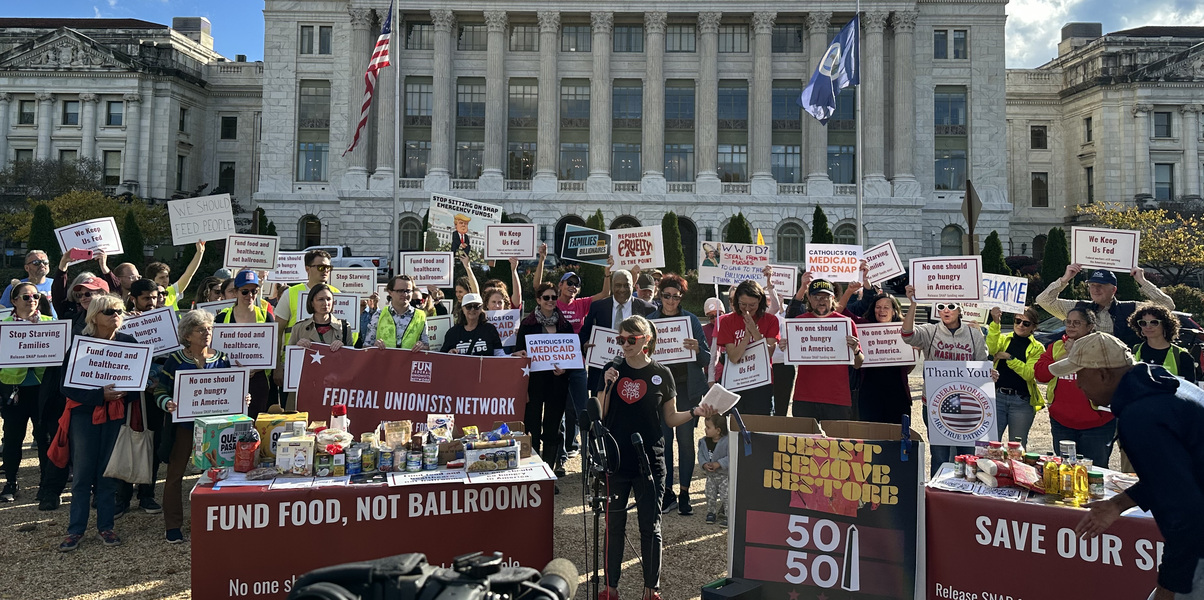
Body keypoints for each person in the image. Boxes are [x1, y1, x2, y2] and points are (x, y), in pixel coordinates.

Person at [1064, 332, 1204, 600]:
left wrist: (1169, 585)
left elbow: (1186, 512)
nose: (1078, 384)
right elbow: (1174, 473)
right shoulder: (1163, 385)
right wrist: (1119, 504)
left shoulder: (1140, 415)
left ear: (1104, 375)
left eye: (1080, 374)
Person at [598, 315, 718, 600]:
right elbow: (599, 413)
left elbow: (671, 417)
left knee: (650, 527)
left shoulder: (662, 374)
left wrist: (695, 413)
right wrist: (606, 385)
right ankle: (610, 588)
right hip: (616, 461)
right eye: (621, 340)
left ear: (646, 340)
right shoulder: (611, 370)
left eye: (631, 340)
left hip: (650, 461)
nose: (625, 345)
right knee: (613, 525)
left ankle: (651, 589)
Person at [155, 310, 249, 544]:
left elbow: (230, 389)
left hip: (216, 430)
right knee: (175, 474)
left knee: (220, 474)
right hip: (184, 427)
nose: (207, 333)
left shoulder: (223, 358)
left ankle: (217, 521)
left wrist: (242, 397)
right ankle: (173, 525)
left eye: (209, 329)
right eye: (201, 330)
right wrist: (167, 402)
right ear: (187, 335)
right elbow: (159, 390)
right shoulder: (175, 361)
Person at [57, 294, 135, 551]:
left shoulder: (129, 342)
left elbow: (135, 384)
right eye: (110, 312)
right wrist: (98, 395)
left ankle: (106, 526)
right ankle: (75, 530)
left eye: (119, 311)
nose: (116, 316)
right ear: (94, 317)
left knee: (107, 473)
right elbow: (66, 387)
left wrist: (126, 392)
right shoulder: (81, 345)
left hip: (115, 414)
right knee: (82, 474)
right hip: (84, 415)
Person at [901, 285, 990, 475]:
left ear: (960, 310)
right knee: (940, 456)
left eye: (951, 305)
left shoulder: (974, 335)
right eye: (941, 306)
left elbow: (982, 366)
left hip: (968, 405)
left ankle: (965, 500)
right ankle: (940, 497)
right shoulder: (930, 331)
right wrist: (913, 304)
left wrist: (991, 374)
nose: (946, 310)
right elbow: (907, 335)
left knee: (967, 456)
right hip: (936, 404)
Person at [648, 274, 711, 516]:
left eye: (676, 296)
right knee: (663, 443)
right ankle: (666, 493)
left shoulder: (691, 320)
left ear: (681, 297)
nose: (671, 301)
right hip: (660, 391)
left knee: (685, 442)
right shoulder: (650, 321)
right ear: (659, 295)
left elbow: (706, 359)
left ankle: (684, 493)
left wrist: (696, 348)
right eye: (667, 296)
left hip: (685, 389)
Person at [1034, 308, 1115, 466]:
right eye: (1068, 322)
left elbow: (1107, 378)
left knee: (1094, 474)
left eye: (1077, 323)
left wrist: (1078, 354)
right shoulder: (1056, 346)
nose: (1071, 326)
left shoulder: (1104, 347)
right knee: (1067, 474)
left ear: (1090, 326)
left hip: (1096, 425)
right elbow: (1040, 374)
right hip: (1061, 423)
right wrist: (1066, 357)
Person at [114, 278, 166, 517]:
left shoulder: (165, 321)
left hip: (154, 394)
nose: (152, 302)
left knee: (151, 444)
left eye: (155, 297)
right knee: (125, 441)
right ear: (133, 298)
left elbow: (170, 356)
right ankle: (122, 497)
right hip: (129, 395)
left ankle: (147, 494)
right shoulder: (121, 322)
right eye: (146, 298)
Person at [0, 283, 56, 504]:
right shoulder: (3, 326)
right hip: (14, 388)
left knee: (44, 436)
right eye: (25, 297)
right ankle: (11, 481)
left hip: (43, 387)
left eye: (35, 296)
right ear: (14, 301)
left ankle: (46, 482)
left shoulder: (52, 324)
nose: (31, 299)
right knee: (13, 437)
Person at [514, 282, 573, 478]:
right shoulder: (527, 325)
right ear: (538, 300)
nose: (550, 301)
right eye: (546, 298)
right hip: (534, 384)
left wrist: (565, 368)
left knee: (553, 428)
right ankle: (534, 471)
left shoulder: (565, 325)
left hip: (557, 384)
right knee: (532, 427)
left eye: (554, 297)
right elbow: (519, 355)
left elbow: (571, 357)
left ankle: (548, 474)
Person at [1036, 265, 1175, 347]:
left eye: (1101, 286)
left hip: (1119, 372)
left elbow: (1167, 306)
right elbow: (1043, 300)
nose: (1095, 289)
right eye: (1092, 285)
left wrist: (1142, 281)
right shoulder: (1079, 308)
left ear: (1113, 290)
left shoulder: (1131, 309)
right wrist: (1065, 279)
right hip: (1086, 370)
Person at [784, 277, 863, 420]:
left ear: (833, 298)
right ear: (809, 298)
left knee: (836, 442)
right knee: (805, 442)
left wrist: (856, 350)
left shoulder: (845, 323)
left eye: (826, 297)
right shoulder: (798, 323)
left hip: (837, 399)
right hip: (805, 398)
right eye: (816, 297)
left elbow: (858, 364)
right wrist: (786, 347)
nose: (821, 301)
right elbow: (791, 354)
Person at [277, 284, 353, 409]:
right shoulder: (299, 328)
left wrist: (343, 348)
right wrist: (298, 347)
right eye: (320, 299)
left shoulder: (344, 327)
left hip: (333, 391)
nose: (325, 303)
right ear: (312, 303)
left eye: (328, 299)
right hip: (305, 390)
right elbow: (291, 362)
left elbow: (352, 362)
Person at [850, 292, 916, 424]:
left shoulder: (903, 331)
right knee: (870, 437)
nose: (882, 310)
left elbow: (908, 369)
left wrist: (914, 354)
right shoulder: (863, 326)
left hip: (897, 394)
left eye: (886, 307)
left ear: (894, 311)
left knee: (898, 436)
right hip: (869, 394)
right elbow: (842, 312)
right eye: (878, 307)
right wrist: (849, 291)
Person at [716, 280, 780, 415]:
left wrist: (755, 332)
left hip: (760, 384)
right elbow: (733, 357)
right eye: (743, 304)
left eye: (752, 305)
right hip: (735, 382)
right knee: (734, 428)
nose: (747, 309)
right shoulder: (727, 321)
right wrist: (746, 337)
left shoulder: (770, 320)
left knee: (760, 427)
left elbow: (767, 353)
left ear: (760, 302)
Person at [216, 271, 273, 418]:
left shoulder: (266, 316)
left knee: (256, 422)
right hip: (229, 379)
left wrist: (254, 369)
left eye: (254, 291)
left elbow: (272, 352)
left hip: (258, 379)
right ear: (235, 292)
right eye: (245, 291)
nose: (250, 296)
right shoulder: (222, 317)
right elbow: (215, 352)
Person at [986, 306, 1046, 447]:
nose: (1020, 325)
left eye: (1026, 323)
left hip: (1021, 401)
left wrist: (1009, 357)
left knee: (1017, 447)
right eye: (1017, 321)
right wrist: (995, 323)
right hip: (997, 397)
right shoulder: (1003, 339)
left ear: (1033, 327)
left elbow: (1029, 374)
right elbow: (991, 349)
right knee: (990, 444)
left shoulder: (1038, 348)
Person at [274, 249, 340, 354]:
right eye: (321, 267)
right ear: (307, 269)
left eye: (328, 268)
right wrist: (277, 366)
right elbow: (277, 332)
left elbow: (346, 333)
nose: (325, 271)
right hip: (294, 358)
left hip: (329, 360)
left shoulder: (337, 293)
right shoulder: (290, 294)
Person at [1130, 303, 1197, 383]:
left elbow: (1190, 390)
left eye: (1154, 322)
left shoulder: (1182, 356)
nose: (1148, 327)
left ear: (1165, 325)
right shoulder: (1133, 351)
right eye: (1143, 323)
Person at [364, 275, 430, 350]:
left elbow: (426, 347)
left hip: (409, 361)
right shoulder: (378, 315)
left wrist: (421, 346)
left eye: (408, 291)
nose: (405, 294)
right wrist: (375, 346)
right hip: (384, 360)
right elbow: (366, 346)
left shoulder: (420, 316)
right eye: (400, 291)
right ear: (390, 292)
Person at [144, 241, 206, 310]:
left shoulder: (173, 290)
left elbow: (189, 274)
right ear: (152, 280)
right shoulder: (145, 296)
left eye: (167, 276)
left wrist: (200, 252)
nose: (165, 280)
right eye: (161, 277)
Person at [697, 413, 730, 526]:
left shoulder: (727, 442)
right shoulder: (704, 442)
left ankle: (727, 514)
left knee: (726, 495)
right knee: (710, 494)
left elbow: (730, 457)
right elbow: (701, 455)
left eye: (708, 427)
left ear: (718, 430)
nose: (705, 429)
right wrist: (704, 464)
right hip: (711, 476)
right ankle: (711, 512)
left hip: (724, 476)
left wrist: (719, 463)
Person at [0, 250, 55, 316]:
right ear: (27, 268)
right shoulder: (16, 287)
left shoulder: (56, 284)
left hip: (53, 324)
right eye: (36, 262)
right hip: (24, 325)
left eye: (45, 262)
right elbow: (3, 310)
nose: (42, 265)